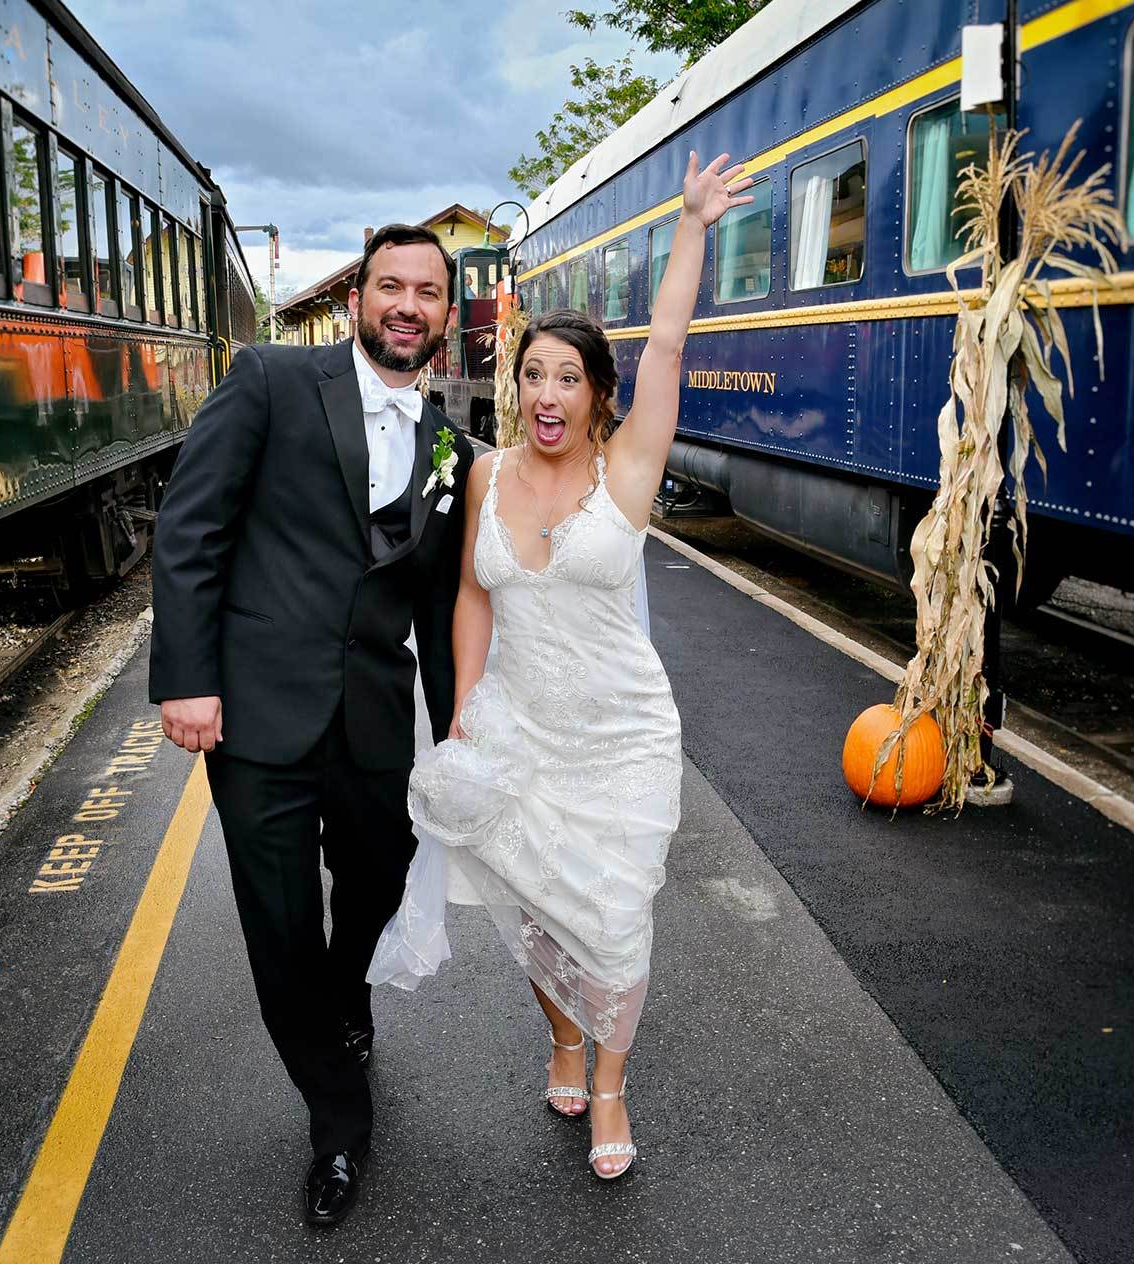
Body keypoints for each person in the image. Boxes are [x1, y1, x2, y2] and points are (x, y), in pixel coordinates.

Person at [407, 153, 752, 1180]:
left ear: (600, 396)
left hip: (619, 732)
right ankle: (562, 1038)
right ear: (514, 387)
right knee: (536, 909)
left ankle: (609, 1080)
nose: (547, 392)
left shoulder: (629, 466)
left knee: (612, 913)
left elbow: (675, 340)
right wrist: (465, 705)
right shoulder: (483, 474)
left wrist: (691, 227)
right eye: (534, 374)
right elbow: (472, 592)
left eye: (569, 377)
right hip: (518, 723)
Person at [149, 224, 476, 1226]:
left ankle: (348, 996)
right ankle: (339, 1118)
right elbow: (191, 525)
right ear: (357, 299)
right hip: (254, 714)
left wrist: (458, 727)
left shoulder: (452, 447)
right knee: (281, 927)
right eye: (390, 285)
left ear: (447, 315)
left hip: (373, 714)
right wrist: (186, 678)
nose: (406, 304)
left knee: (377, 877)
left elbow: (433, 602)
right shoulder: (269, 382)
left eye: (427, 290)